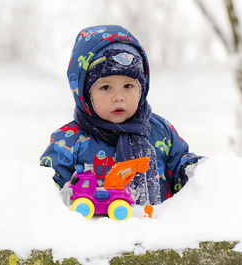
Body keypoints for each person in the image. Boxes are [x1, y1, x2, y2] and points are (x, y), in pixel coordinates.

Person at [40, 25, 203, 206]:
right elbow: (46, 192)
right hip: (95, 232)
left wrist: (197, 170)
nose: (118, 97)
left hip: (157, 230)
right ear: (85, 94)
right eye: (105, 87)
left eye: (128, 86)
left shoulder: (160, 131)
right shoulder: (68, 141)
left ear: (142, 88)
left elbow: (180, 166)